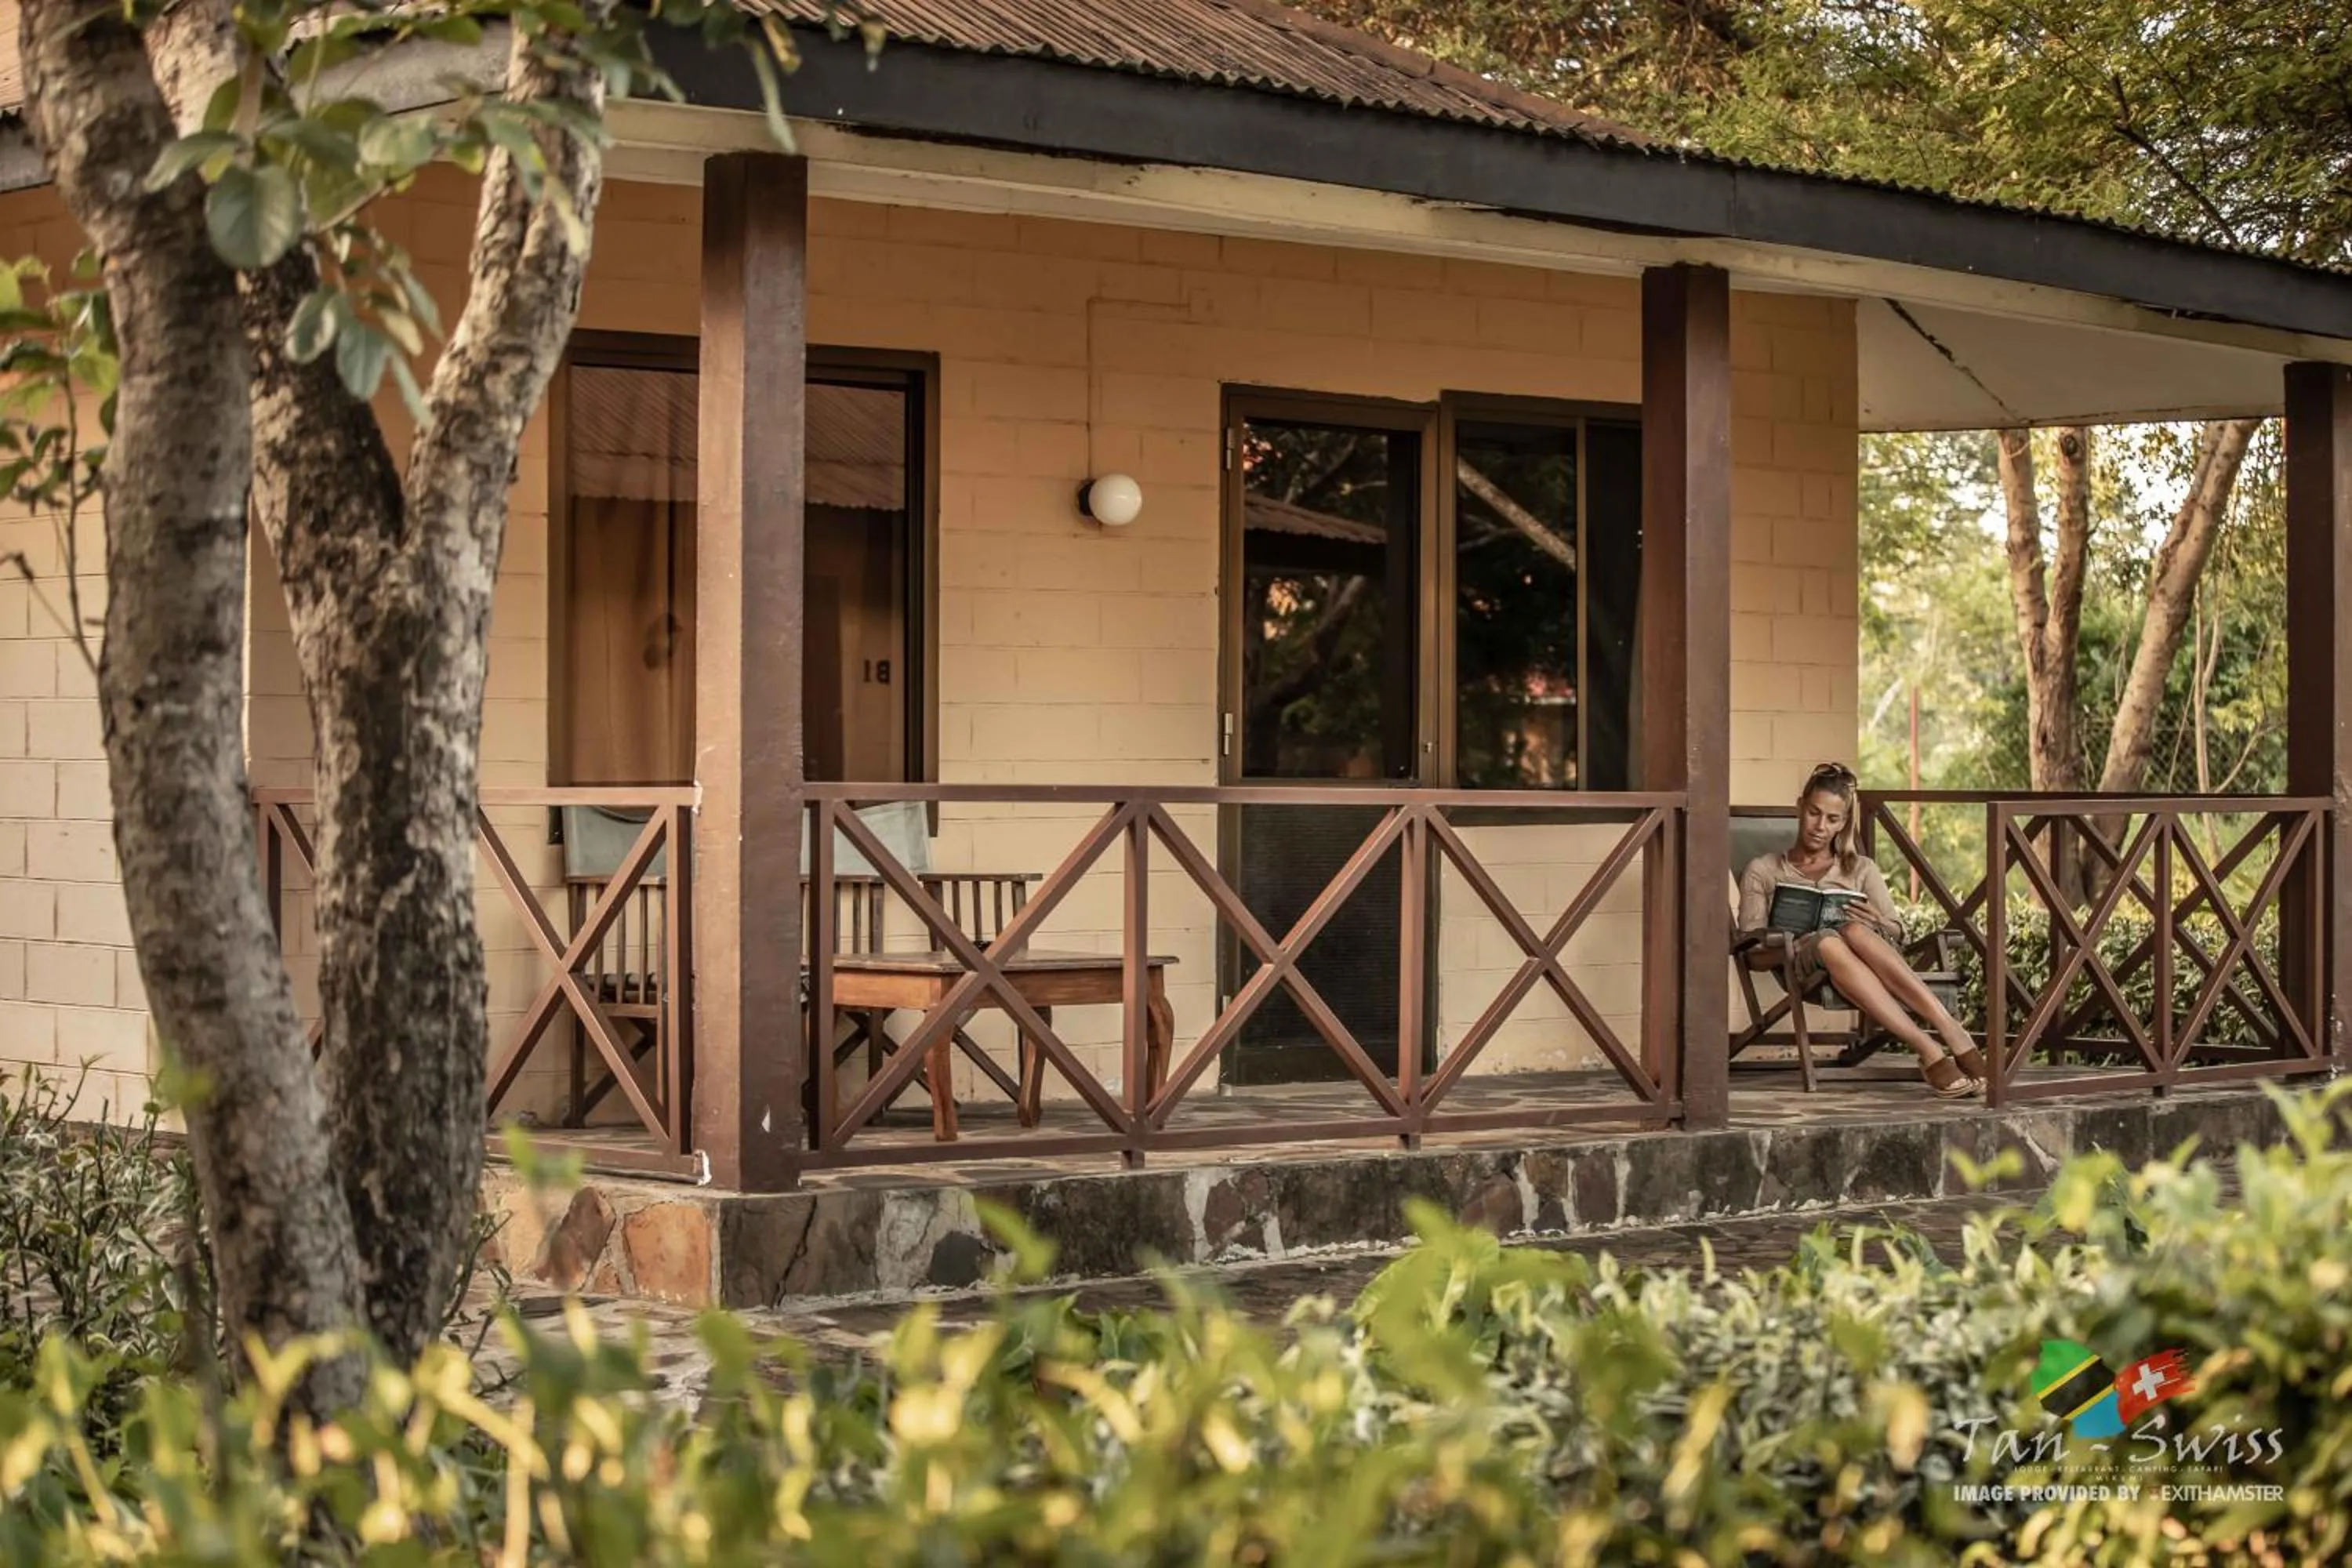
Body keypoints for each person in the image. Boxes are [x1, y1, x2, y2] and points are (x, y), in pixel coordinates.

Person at [1737, 762, 1988, 1098]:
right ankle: (1928, 1048)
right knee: (1829, 941)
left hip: (1868, 959)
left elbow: (1896, 931)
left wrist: (1878, 921)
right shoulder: (1764, 870)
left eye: (1833, 819)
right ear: (1800, 807)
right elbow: (1752, 952)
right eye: (1814, 813)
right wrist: (1787, 941)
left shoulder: (1861, 869)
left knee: (1854, 930)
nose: (1820, 827)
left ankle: (1949, 1029)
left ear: (1844, 823)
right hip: (1802, 964)